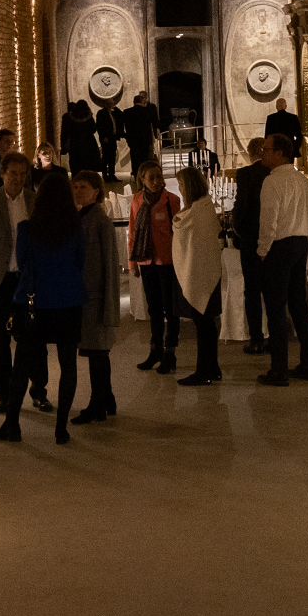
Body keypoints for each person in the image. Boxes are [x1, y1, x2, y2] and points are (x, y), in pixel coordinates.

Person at [0, 166, 85, 444]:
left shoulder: (27, 229)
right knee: (68, 366)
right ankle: (61, 429)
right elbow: (80, 262)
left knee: (22, 365)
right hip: (68, 302)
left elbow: (23, 265)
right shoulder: (75, 227)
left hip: (35, 303)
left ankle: (12, 424)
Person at [0, 154, 48, 415]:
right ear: (2, 173)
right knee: (0, 339)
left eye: (22, 173)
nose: (18, 178)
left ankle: (39, 391)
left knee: (34, 337)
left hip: (27, 279)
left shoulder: (34, 200)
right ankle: (3, 394)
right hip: (1, 280)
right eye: (13, 173)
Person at [255, 135, 308, 385]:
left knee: (276, 308)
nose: (262, 152)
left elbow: (269, 219)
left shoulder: (272, 181)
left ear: (279, 153)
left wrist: (263, 249)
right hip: (300, 243)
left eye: (266, 149)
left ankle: (279, 370)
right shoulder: (302, 180)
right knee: (299, 305)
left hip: (279, 246)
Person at [72, 170, 123, 423]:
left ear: (96, 192)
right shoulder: (82, 217)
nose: (78, 191)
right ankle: (107, 398)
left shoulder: (99, 221)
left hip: (96, 298)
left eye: (83, 187)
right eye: (75, 187)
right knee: (95, 352)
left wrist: (109, 305)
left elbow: (110, 265)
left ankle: (97, 404)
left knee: (97, 353)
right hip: (85, 297)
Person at [127, 159, 182, 373]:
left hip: (167, 261)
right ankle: (155, 349)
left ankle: (170, 352)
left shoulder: (172, 200)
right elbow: (132, 233)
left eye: (159, 176)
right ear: (142, 180)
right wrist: (133, 263)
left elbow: (178, 232)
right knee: (154, 308)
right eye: (152, 177)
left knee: (170, 307)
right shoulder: (136, 200)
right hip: (146, 260)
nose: (157, 181)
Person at [171, 166, 224, 385]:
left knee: (204, 324)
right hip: (199, 270)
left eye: (182, 185)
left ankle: (204, 371)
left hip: (201, 272)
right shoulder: (200, 207)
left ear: (189, 186)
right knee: (205, 323)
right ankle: (212, 367)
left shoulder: (200, 210)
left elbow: (198, 240)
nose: (180, 189)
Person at [231, 137, 270, 351]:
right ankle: (276, 336)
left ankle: (256, 339)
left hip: (252, 239)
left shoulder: (246, 173)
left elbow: (241, 205)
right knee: (273, 290)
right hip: (274, 239)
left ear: (251, 152)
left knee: (252, 291)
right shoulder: (274, 172)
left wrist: (239, 231)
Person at [62, 100, 105, 175]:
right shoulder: (88, 116)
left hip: (75, 144)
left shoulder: (68, 117)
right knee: (89, 166)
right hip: (88, 143)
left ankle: (76, 179)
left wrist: (63, 146)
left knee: (76, 166)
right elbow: (93, 129)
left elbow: (65, 132)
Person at [122, 92, 160, 176]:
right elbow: (155, 123)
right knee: (144, 159)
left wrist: (124, 135)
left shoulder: (127, 112)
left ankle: (136, 176)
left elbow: (121, 124)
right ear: (142, 102)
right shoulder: (147, 111)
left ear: (133, 102)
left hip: (132, 139)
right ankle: (144, 176)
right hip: (145, 139)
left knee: (135, 159)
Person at [95, 97, 123, 183]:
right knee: (105, 157)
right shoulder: (101, 113)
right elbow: (99, 126)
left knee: (112, 157)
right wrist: (103, 136)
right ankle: (105, 176)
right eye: (109, 104)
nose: (111, 105)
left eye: (112, 104)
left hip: (112, 137)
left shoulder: (113, 113)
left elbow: (121, 115)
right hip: (106, 138)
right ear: (105, 104)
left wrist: (115, 108)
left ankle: (112, 175)